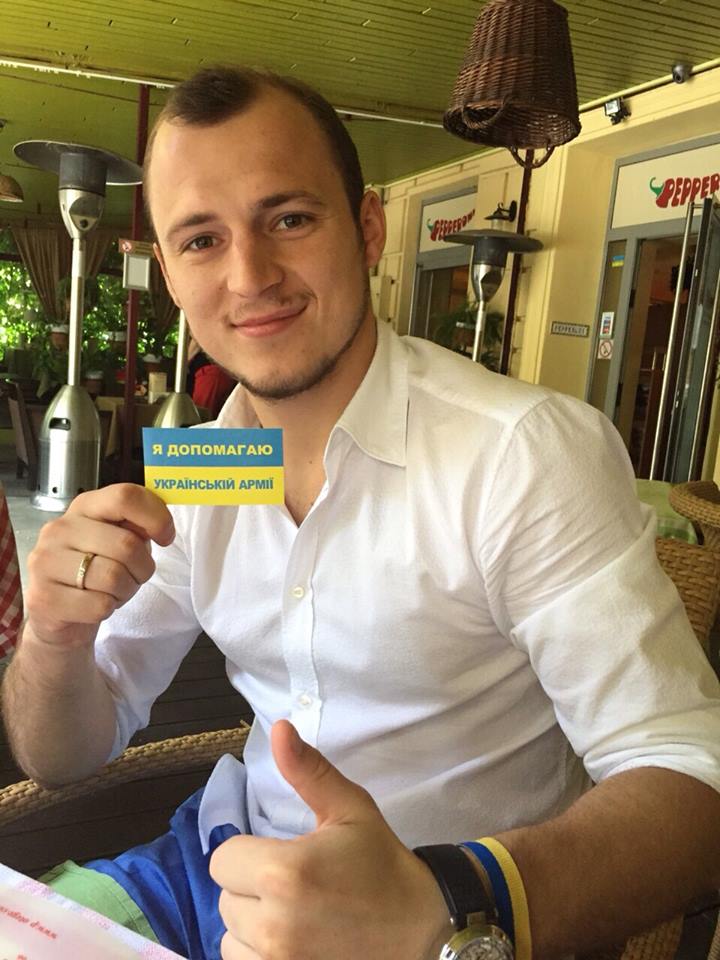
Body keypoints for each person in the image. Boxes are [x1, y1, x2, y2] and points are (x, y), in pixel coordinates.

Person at [3, 65, 720, 960]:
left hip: (440, 910)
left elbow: (693, 781)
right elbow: (65, 752)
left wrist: (447, 902)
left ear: (368, 228)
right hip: (215, 864)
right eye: (202, 240)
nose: (250, 276)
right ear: (169, 273)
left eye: (289, 220)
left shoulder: (518, 455)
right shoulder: (213, 462)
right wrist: (55, 641)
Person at [186, 335, 237, 418]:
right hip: (216, 372)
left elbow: (197, 338)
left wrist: (185, 363)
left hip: (210, 374)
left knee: (201, 415)